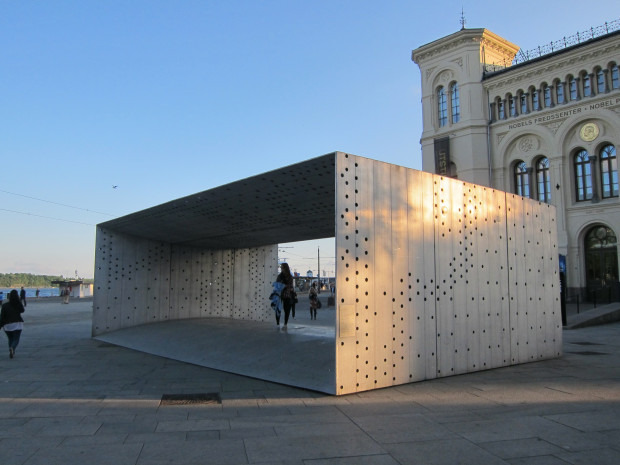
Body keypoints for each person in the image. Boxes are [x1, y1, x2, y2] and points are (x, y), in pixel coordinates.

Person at [0, 289, 25, 358]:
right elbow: (22, 310)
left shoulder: (4, 305)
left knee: (10, 338)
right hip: (17, 323)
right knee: (16, 338)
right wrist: (19, 301)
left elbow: (2, 316)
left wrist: (0, 325)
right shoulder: (18, 304)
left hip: (7, 324)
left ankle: (11, 349)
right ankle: (12, 348)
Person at [276, 263, 294, 329]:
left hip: (285, 294)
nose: (281, 268)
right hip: (282, 294)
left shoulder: (284, 276)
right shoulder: (282, 276)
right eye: (281, 267)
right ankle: (279, 323)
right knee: (280, 309)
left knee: (286, 310)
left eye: (282, 267)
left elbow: (291, 286)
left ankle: (284, 324)